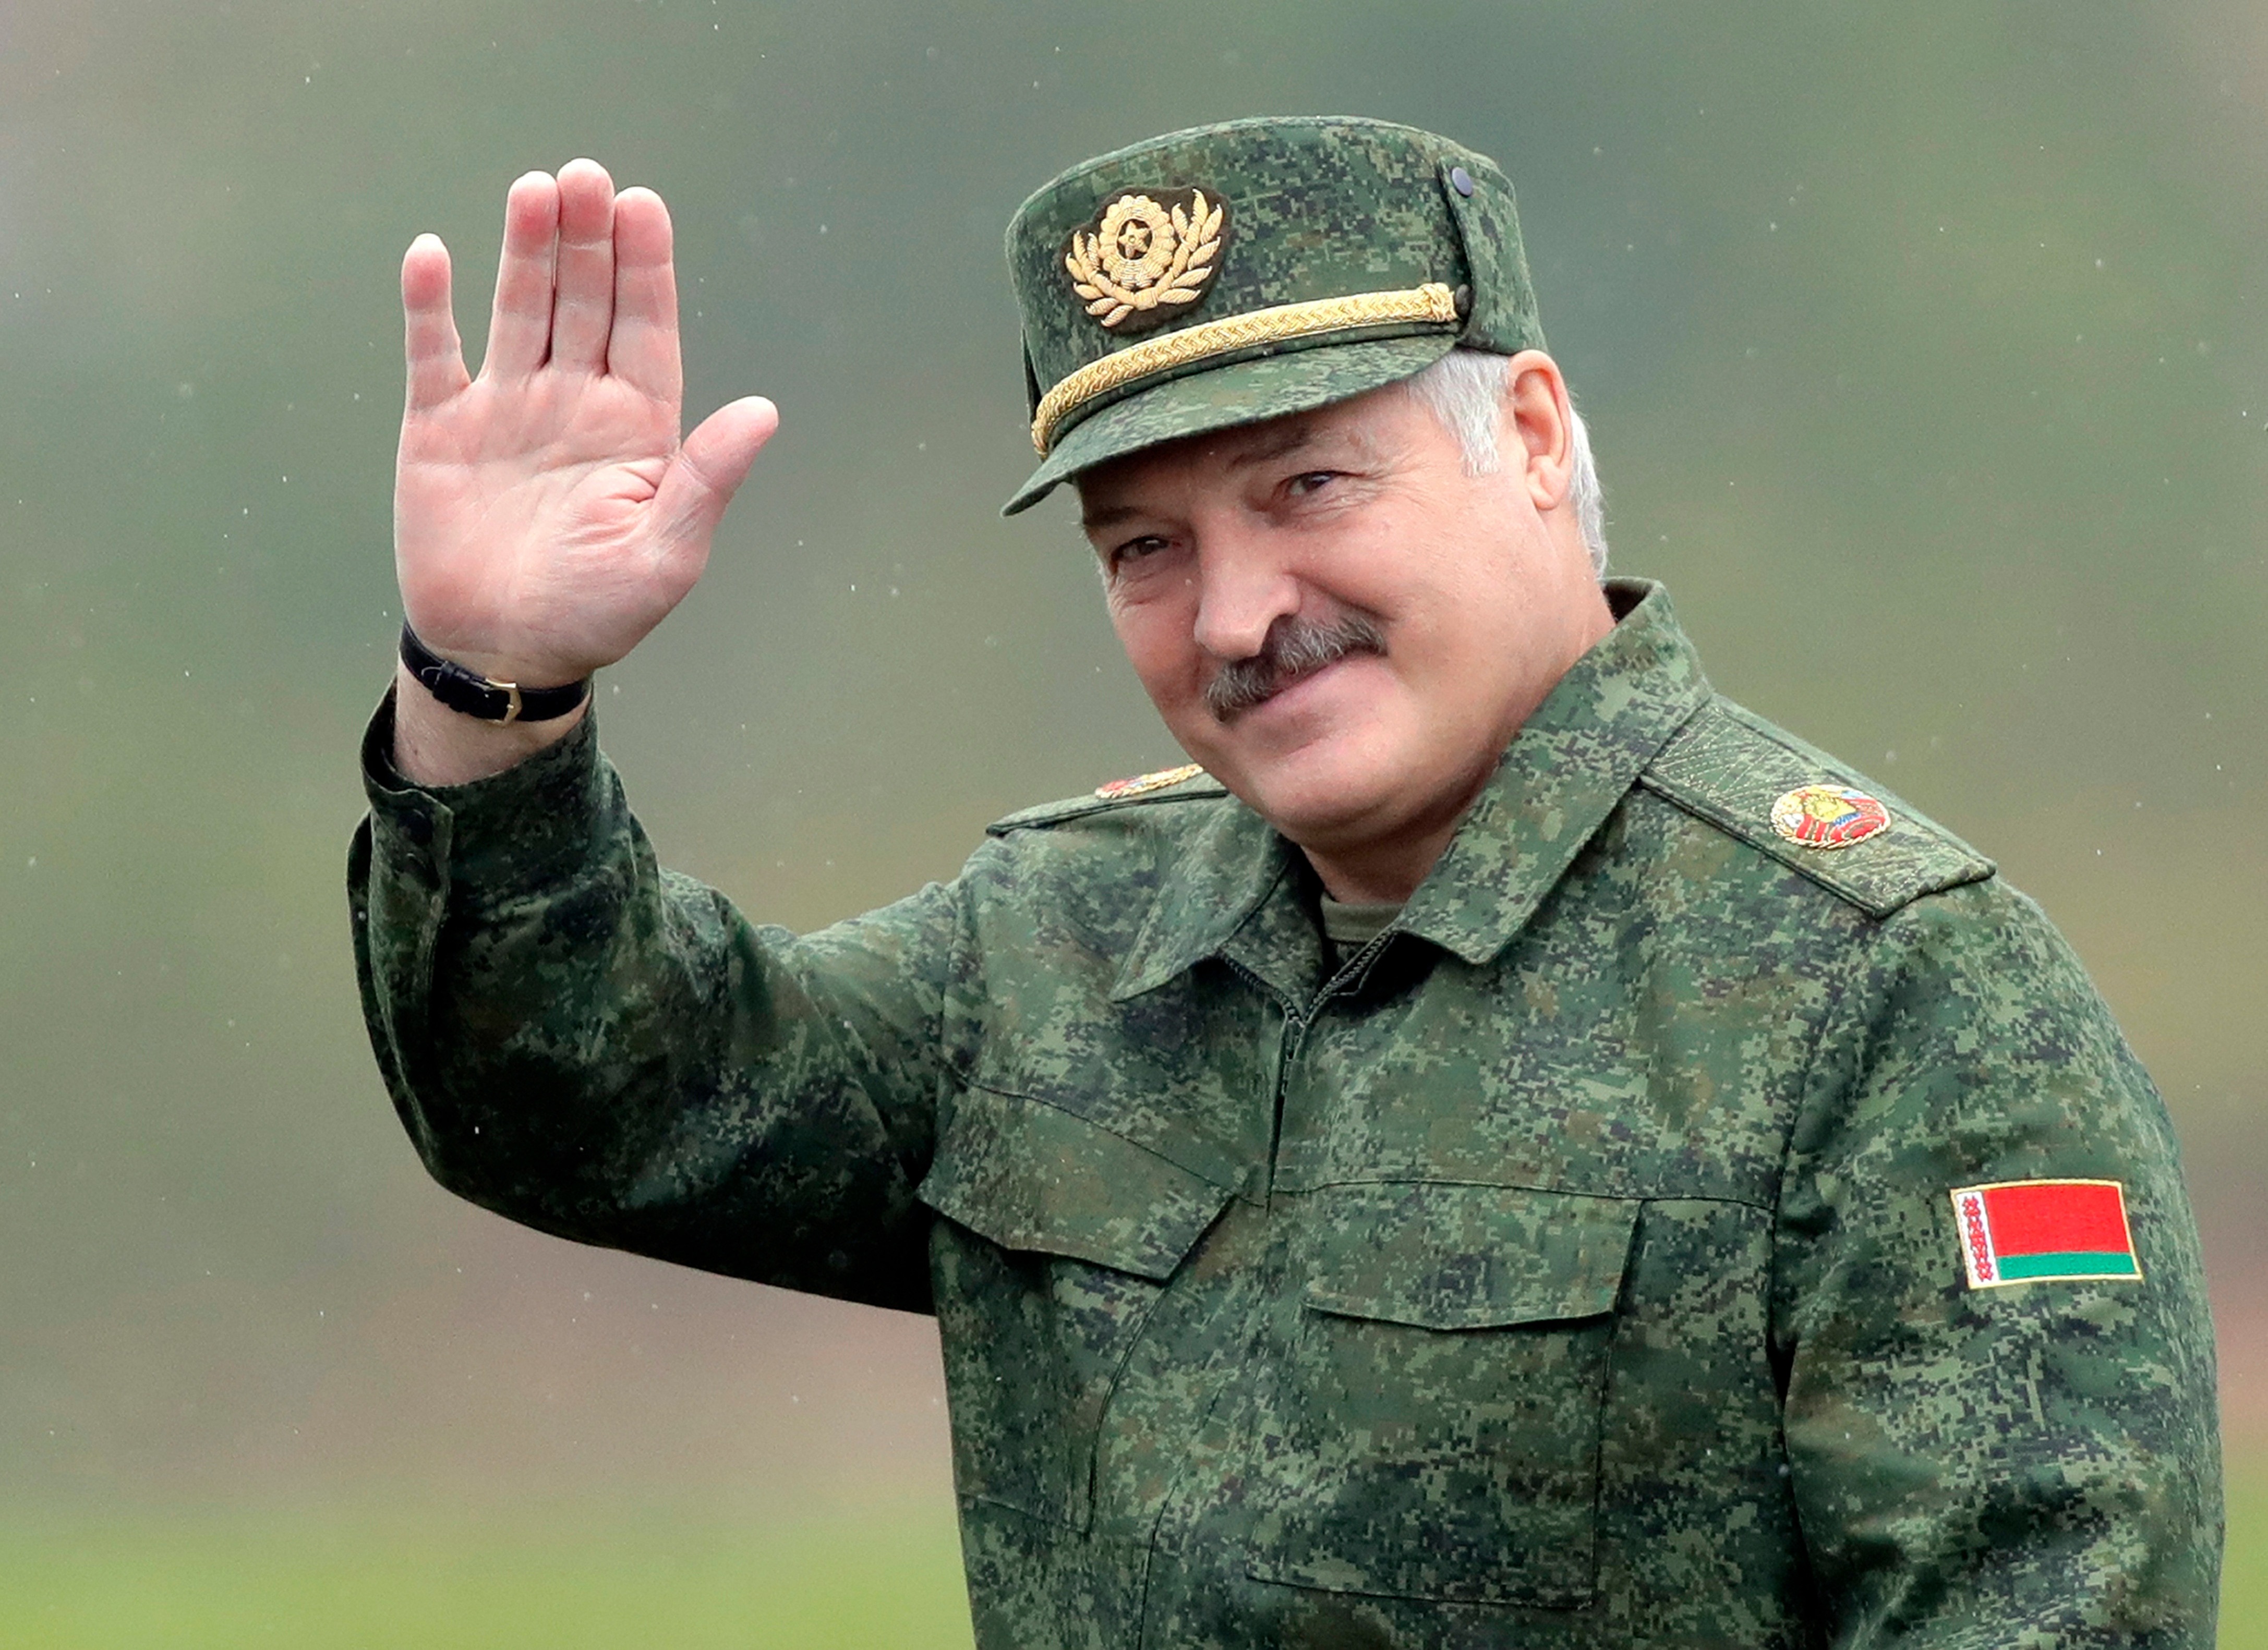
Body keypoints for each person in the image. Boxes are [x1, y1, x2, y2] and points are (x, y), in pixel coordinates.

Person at [351, 117, 2222, 1646]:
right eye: (1144, 546)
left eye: (1308, 488)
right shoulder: (1058, 945)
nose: (1237, 614)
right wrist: (491, 690)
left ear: (1535, 439)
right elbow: (587, 1101)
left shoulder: (1887, 992)